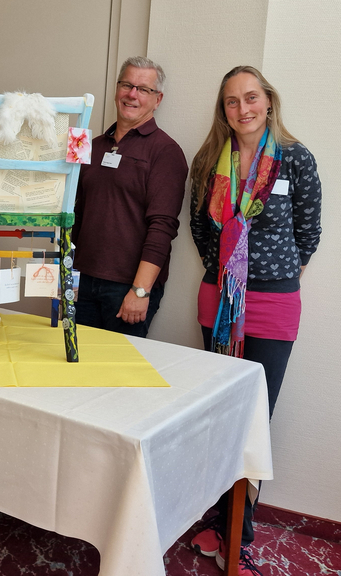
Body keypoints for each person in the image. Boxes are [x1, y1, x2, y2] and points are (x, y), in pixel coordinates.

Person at [188, 66, 322, 575]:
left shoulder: (295, 158)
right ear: (222, 110)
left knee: (252, 421)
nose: (241, 109)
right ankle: (216, 520)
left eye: (250, 98)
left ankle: (238, 538)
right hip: (218, 301)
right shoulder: (208, 161)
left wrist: (270, 274)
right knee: (218, 415)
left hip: (273, 304)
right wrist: (227, 278)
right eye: (230, 102)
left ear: (268, 101)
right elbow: (202, 229)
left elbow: (309, 232)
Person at [71, 56, 188, 337]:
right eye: (127, 85)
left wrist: (140, 290)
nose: (132, 94)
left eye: (143, 89)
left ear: (157, 99)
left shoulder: (165, 152)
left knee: (117, 376)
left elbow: (162, 228)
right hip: (81, 281)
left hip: (126, 288)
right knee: (75, 370)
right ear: (117, 89)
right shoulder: (90, 145)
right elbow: (72, 210)